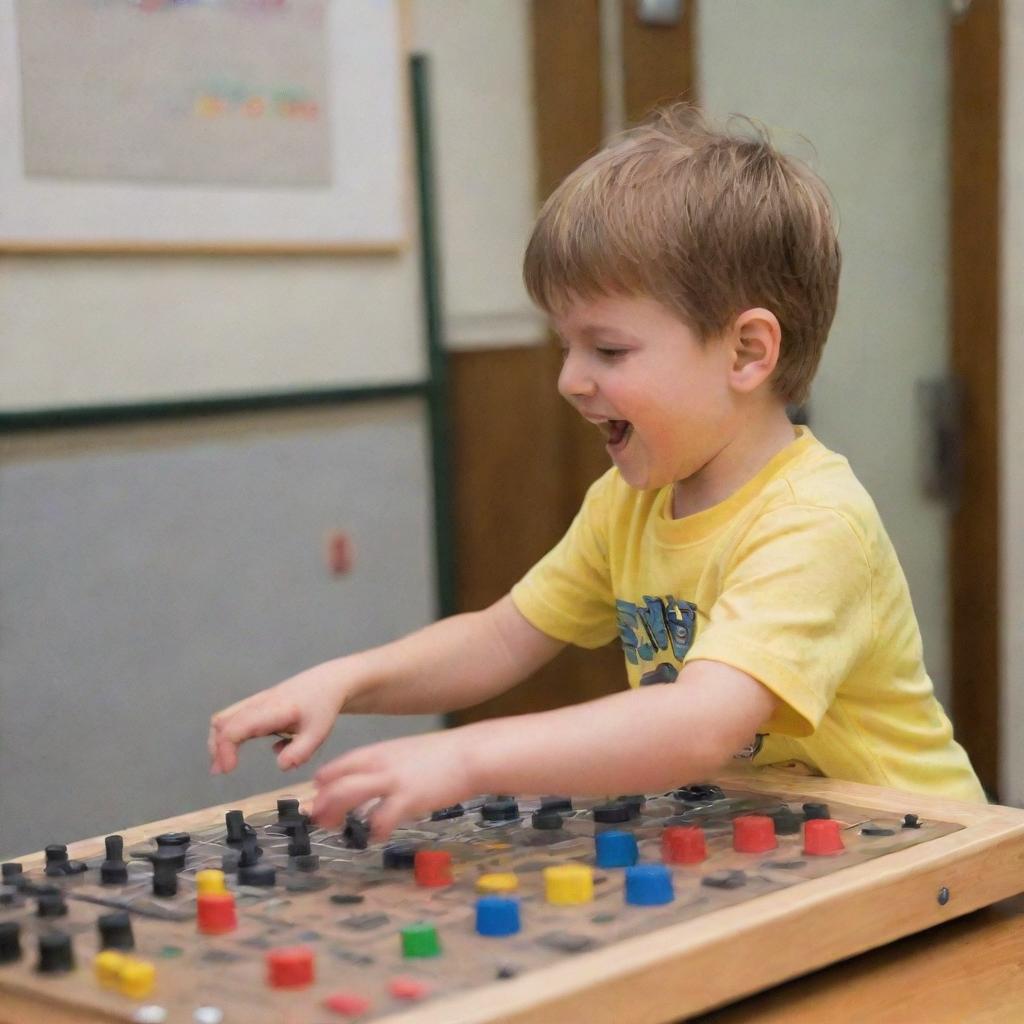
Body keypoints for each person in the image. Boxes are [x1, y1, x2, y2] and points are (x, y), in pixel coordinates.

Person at [208, 105, 985, 841]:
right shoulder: (629, 500)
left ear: (748, 352)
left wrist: (469, 757)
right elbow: (502, 637)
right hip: (780, 848)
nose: (571, 380)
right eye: (565, 347)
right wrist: (348, 680)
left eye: (608, 350)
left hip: (927, 860)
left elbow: (700, 722)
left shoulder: (815, 522)